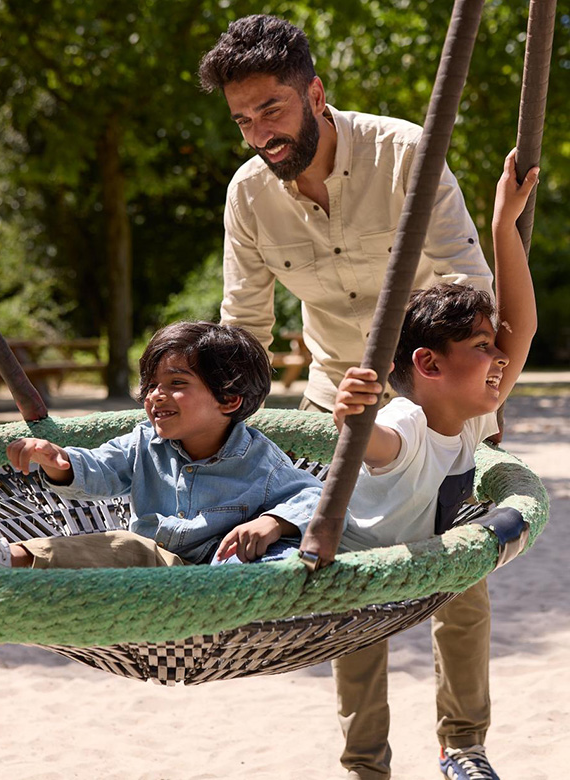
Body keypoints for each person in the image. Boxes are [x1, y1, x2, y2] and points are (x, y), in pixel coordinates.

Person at [198, 14, 509, 780]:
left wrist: (414, 385)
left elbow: (471, 289)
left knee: (456, 574)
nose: (260, 134)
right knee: (345, 581)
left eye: (272, 109)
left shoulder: (406, 152)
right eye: (243, 120)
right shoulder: (249, 196)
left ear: (316, 93)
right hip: (334, 396)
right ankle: (365, 765)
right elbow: (243, 328)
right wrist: (220, 417)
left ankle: (462, 747)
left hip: (433, 395)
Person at [332, 150, 537, 780]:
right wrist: (351, 415)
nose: (499, 357)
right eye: (481, 349)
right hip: (362, 563)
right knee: (360, 649)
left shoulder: (473, 407)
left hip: (426, 551)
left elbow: (520, 326)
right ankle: (366, 767)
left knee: (466, 599)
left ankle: (463, 749)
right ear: (428, 365)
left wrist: (503, 225)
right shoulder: (405, 421)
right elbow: (373, 444)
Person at [0, 321, 323, 570]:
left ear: (228, 399)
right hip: (149, 576)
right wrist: (59, 460)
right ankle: (5, 556)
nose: (155, 395)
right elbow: (101, 468)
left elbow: (319, 498)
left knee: (285, 555)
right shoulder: (144, 443)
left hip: (218, 581)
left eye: (176, 382)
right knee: (124, 547)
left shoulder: (261, 462)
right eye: (152, 384)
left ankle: (6, 558)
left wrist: (275, 522)